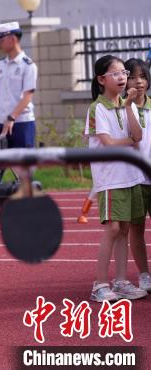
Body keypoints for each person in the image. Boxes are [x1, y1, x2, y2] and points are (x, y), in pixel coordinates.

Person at [85, 55, 148, 302]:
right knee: (112, 228)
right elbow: (108, 142)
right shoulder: (97, 108)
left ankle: (121, 281)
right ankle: (99, 284)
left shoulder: (126, 104)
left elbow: (138, 134)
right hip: (110, 178)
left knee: (123, 229)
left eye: (124, 72)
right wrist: (130, 142)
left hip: (129, 176)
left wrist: (129, 106)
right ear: (101, 79)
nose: (123, 77)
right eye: (116, 73)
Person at [123, 58, 151, 292]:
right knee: (137, 229)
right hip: (134, 178)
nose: (138, 82)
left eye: (142, 76)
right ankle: (144, 275)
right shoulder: (121, 108)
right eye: (132, 76)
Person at [0, 21, 38, 148]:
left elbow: (28, 96)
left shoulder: (27, 65)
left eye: (1, 39)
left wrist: (12, 118)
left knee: (23, 166)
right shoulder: (0, 65)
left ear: (12, 39)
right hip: (1, 122)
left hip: (21, 123)